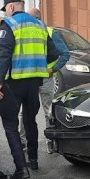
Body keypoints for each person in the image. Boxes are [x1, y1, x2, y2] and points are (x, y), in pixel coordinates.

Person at [0, 0, 59, 179]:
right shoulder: (39, 25)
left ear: (12, 7)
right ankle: (34, 160)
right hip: (34, 83)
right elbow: (53, 53)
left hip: (14, 83)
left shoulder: (10, 24)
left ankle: (21, 169)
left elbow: (4, 54)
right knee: (30, 121)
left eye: (5, 8)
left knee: (10, 125)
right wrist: (37, 63)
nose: (5, 12)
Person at [25, 7, 70, 143]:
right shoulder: (26, 33)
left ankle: (50, 141)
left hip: (43, 78)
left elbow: (65, 54)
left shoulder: (49, 32)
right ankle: (26, 142)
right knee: (30, 112)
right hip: (31, 78)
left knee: (47, 111)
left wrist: (53, 69)